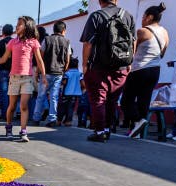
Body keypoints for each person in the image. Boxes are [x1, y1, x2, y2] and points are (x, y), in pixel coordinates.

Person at [0, 16, 47, 142]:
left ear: (27, 27)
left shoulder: (33, 42)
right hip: (14, 78)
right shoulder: (12, 42)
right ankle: (9, 127)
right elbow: (3, 59)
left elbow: (39, 60)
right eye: (17, 24)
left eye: (20, 24)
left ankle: (23, 132)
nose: (17, 27)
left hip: (27, 78)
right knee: (11, 106)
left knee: (23, 105)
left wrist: (43, 76)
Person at [80, 0, 136, 142]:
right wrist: (130, 61)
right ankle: (107, 129)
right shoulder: (128, 16)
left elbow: (88, 43)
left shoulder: (96, 16)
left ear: (100, 1)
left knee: (98, 100)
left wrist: (85, 64)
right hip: (121, 67)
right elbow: (133, 41)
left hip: (99, 67)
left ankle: (99, 132)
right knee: (112, 100)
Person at [121, 2, 168, 138]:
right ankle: (138, 132)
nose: (141, 20)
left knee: (126, 100)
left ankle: (137, 121)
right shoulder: (165, 33)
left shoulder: (142, 32)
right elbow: (162, 54)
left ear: (149, 17)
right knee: (144, 100)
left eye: (143, 17)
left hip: (139, 70)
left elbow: (131, 53)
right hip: (155, 70)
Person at [33, 21, 71, 127]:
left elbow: (40, 56)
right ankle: (52, 119)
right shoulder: (67, 42)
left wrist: (37, 72)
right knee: (54, 97)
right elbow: (68, 60)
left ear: (53, 30)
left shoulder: (47, 39)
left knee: (40, 96)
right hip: (58, 73)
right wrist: (63, 71)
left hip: (46, 73)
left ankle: (36, 118)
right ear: (64, 31)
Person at [0, 24, 14, 120]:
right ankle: (12, 113)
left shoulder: (0, 43)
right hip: (14, 71)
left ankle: (5, 114)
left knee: (4, 93)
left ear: (3, 32)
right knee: (13, 93)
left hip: (3, 70)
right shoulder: (16, 42)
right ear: (12, 32)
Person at [58, 57, 84, 125]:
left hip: (66, 92)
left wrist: (61, 82)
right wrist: (82, 88)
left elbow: (64, 82)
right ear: (77, 65)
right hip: (75, 94)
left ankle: (59, 120)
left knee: (62, 106)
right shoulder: (79, 74)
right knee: (71, 107)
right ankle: (68, 121)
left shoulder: (67, 73)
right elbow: (83, 84)